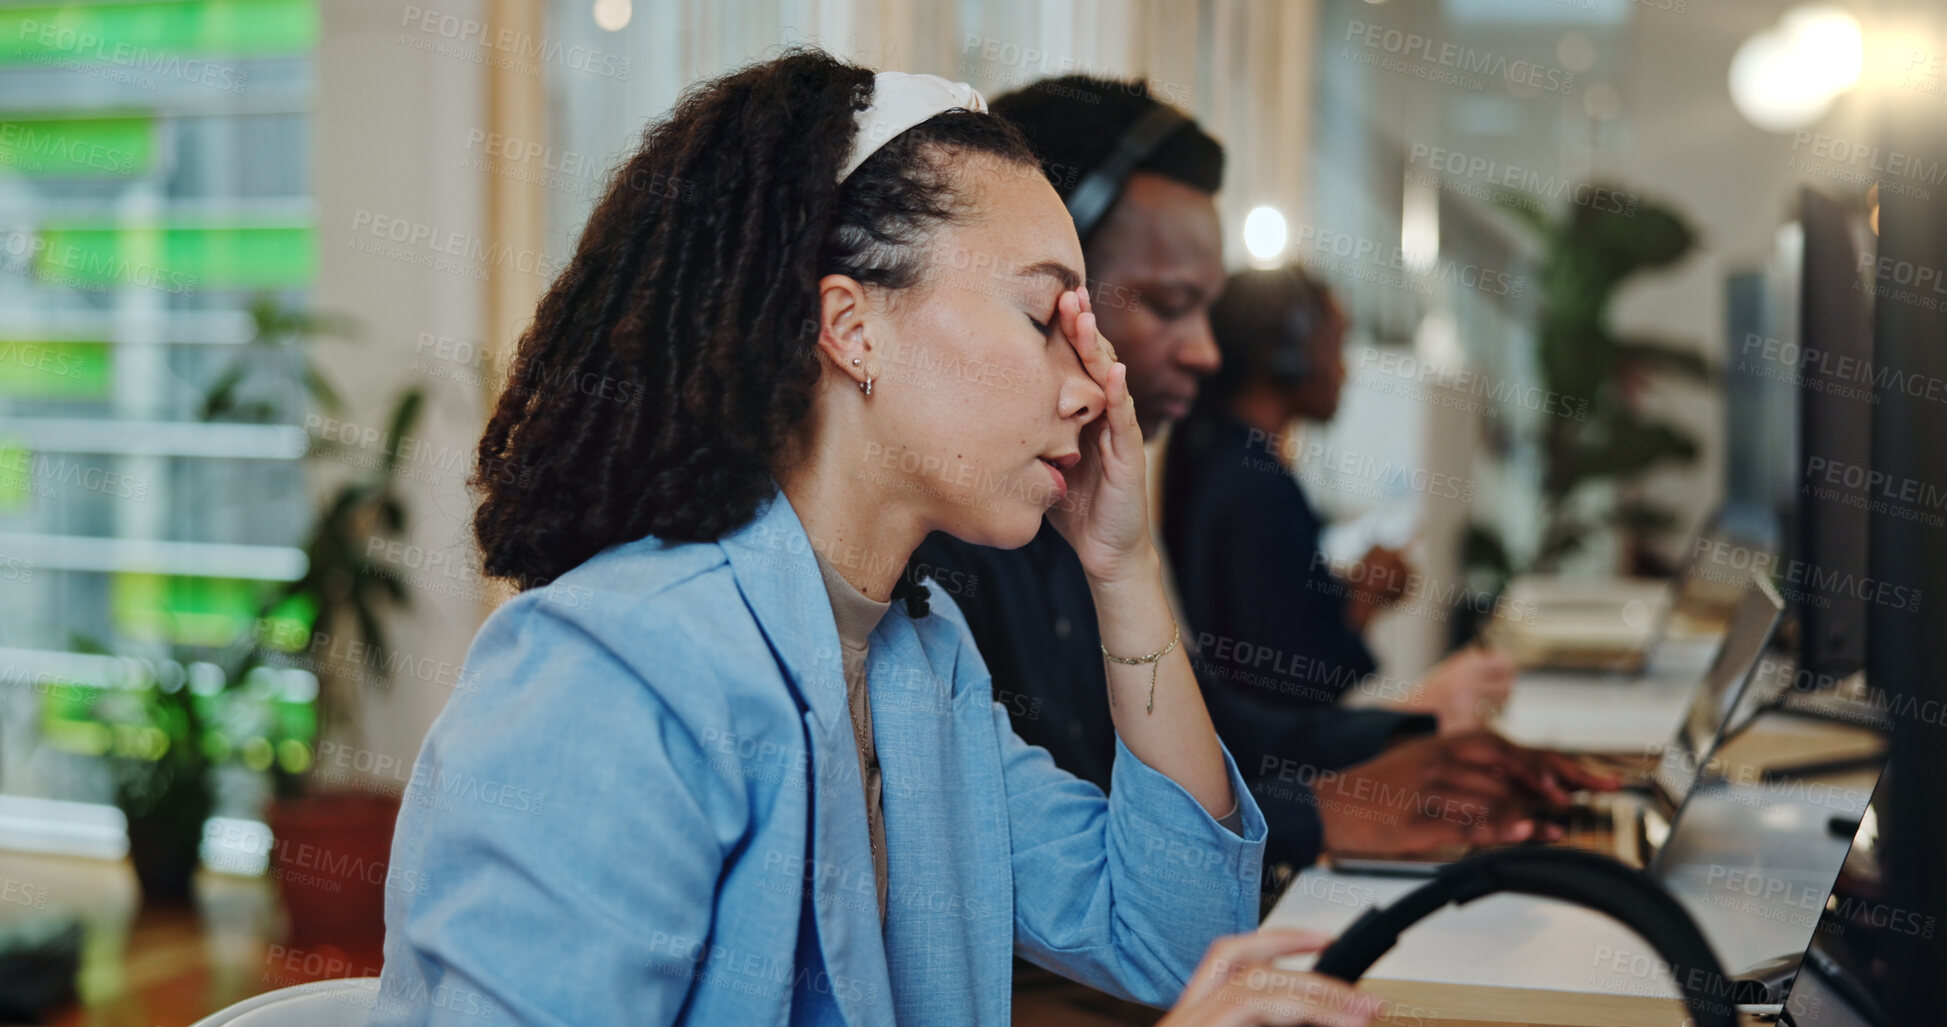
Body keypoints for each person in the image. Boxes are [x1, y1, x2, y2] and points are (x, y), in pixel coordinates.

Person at [368, 53, 1385, 1027]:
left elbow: (1180, 938)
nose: (1089, 385)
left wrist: (1126, 568)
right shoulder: (614, 680)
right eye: (1044, 319)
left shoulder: (920, 660)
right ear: (852, 329)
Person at [914, 77, 1614, 883]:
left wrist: (1401, 736)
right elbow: (1062, 831)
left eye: (1206, 310)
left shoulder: (1068, 507)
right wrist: (1332, 808)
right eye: (1168, 304)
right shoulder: (958, 535)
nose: (1206, 353)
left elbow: (1200, 732)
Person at [1162, 264, 1515, 736]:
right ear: (1287, 355)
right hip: (1267, 762)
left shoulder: (1222, 457)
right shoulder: (1255, 485)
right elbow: (1292, 681)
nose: (1344, 370)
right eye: (1335, 346)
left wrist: (1346, 588)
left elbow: (1268, 614)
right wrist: (1368, 595)